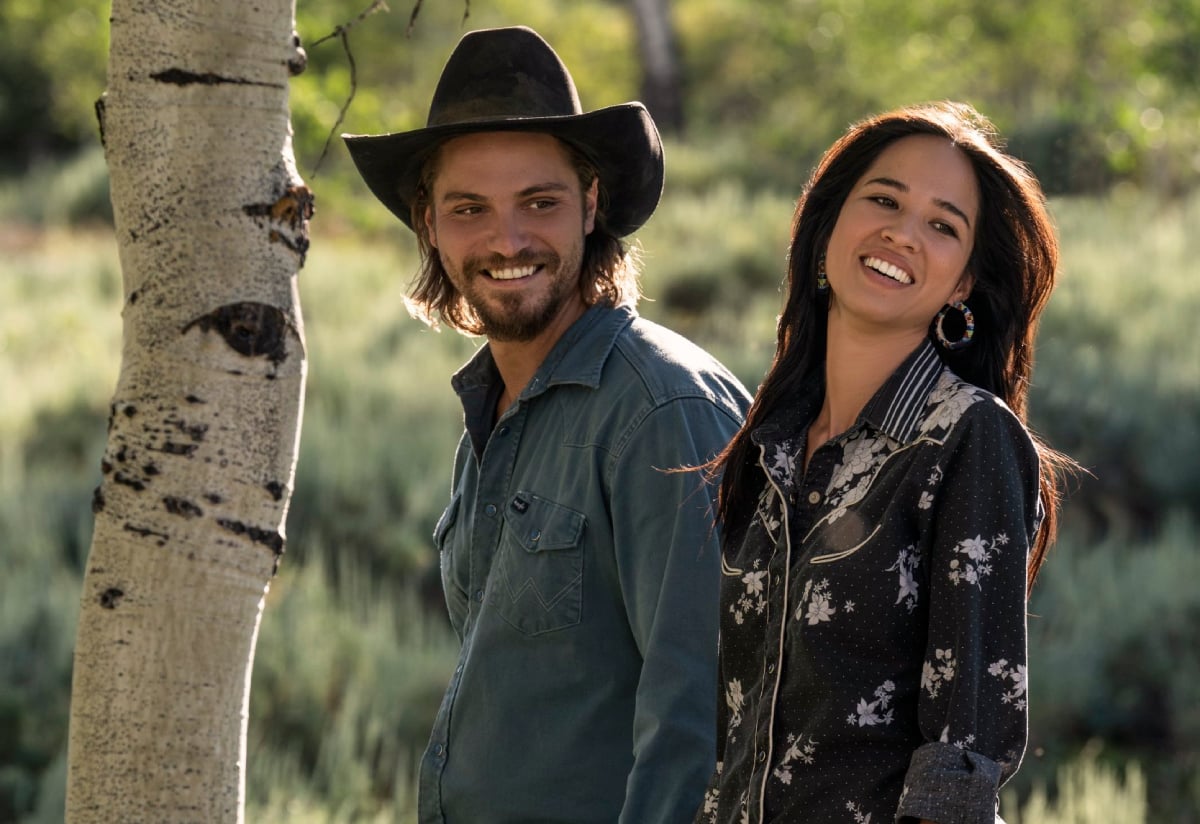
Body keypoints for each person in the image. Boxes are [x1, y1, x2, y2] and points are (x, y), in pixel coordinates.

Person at [343, 26, 751, 824]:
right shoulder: (494, 408)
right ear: (429, 222)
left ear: (591, 204)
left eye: (540, 201)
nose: (507, 240)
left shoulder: (665, 413)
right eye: (470, 208)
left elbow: (701, 726)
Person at [696, 101, 1072, 824]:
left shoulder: (967, 438)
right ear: (828, 223)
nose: (901, 233)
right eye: (883, 200)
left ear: (963, 282)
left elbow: (962, 756)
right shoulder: (770, 443)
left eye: (943, 225)